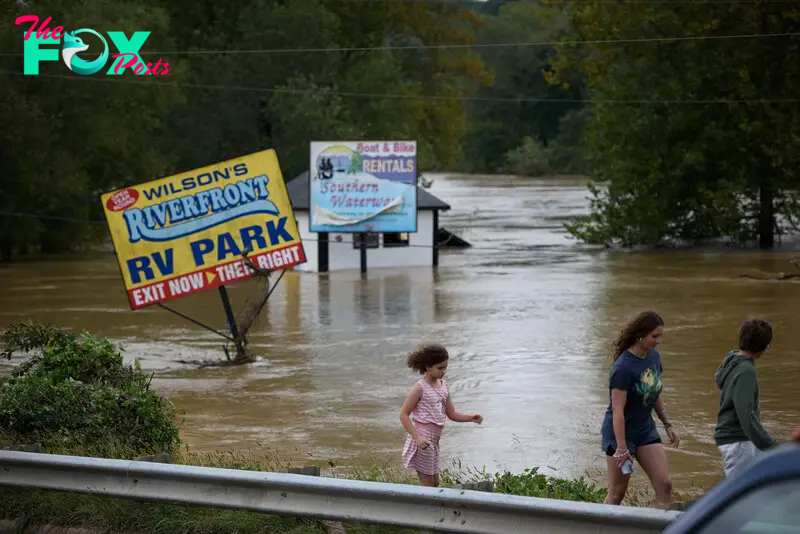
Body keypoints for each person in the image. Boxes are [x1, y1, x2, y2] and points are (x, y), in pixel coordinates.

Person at [600, 311, 679, 508]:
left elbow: (654, 392)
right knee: (617, 492)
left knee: (665, 485)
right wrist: (621, 448)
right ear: (640, 336)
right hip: (620, 434)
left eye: (660, 335)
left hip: (645, 429)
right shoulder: (623, 368)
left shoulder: (653, 357)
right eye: (655, 336)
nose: (658, 341)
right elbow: (617, 411)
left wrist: (667, 424)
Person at [400, 343, 483, 487]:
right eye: (440, 368)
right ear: (428, 367)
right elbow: (403, 415)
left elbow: (451, 413)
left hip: (435, 440)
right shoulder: (419, 388)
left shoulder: (443, 385)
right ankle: (421, 508)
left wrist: (471, 418)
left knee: (435, 483)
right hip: (422, 440)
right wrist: (418, 438)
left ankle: (424, 506)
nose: (444, 371)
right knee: (427, 484)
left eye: (445, 367)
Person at [714, 318, 779, 478]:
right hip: (739, 441)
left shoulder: (733, 361)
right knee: (740, 493)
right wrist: (771, 445)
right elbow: (746, 414)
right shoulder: (746, 371)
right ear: (764, 346)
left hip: (736, 440)